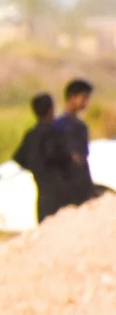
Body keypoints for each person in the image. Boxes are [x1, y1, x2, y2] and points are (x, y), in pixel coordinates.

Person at [13, 91, 74, 223]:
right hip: (60, 189)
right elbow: (55, 155)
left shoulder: (31, 134)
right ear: (51, 109)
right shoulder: (54, 132)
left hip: (42, 189)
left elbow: (19, 157)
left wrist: (35, 166)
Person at [54, 78, 104, 208]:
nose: (86, 102)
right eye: (84, 98)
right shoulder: (59, 126)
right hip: (66, 185)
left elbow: (83, 158)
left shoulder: (80, 126)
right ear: (72, 97)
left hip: (80, 183)